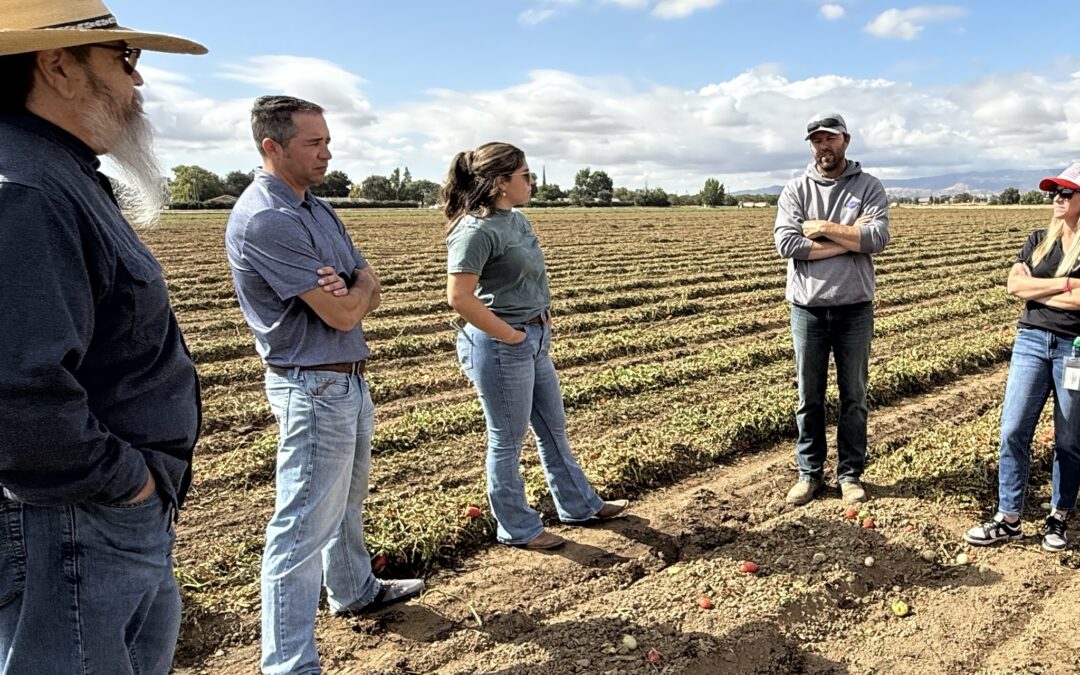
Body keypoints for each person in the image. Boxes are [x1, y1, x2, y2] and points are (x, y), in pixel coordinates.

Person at [0, 2, 205, 672]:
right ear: (57, 66)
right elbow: (15, 392)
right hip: (72, 524)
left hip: (91, 521)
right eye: (125, 58)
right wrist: (127, 483)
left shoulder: (56, 170)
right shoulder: (26, 187)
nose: (137, 80)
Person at [226, 95, 423, 674]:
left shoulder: (317, 207)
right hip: (312, 386)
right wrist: (355, 292)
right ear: (272, 146)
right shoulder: (268, 218)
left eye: (327, 141)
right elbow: (342, 313)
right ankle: (289, 664)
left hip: (346, 380)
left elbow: (368, 280)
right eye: (314, 143)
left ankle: (354, 589)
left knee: (346, 503)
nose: (327, 153)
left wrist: (354, 287)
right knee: (300, 528)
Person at [442, 142, 628, 551]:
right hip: (500, 344)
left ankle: (579, 505)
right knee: (507, 440)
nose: (532, 182)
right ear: (499, 182)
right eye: (525, 175)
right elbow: (459, 297)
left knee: (552, 427)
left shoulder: (516, 220)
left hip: (533, 338)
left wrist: (539, 323)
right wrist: (510, 335)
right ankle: (517, 528)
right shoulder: (475, 230)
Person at [774, 112, 890, 506]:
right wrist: (850, 238)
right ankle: (809, 474)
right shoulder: (796, 189)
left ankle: (850, 475)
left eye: (830, 138)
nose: (824, 146)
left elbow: (877, 238)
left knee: (854, 395)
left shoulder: (868, 186)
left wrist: (822, 227)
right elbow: (788, 244)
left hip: (855, 307)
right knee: (809, 397)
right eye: (817, 140)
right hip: (807, 310)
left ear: (846, 140)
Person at [964, 164, 1080, 553]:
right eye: (1054, 192)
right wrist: (1067, 284)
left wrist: (1038, 288)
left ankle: (1058, 516)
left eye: (1066, 193)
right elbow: (1015, 285)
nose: (1057, 199)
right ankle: (1008, 518)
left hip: (1074, 348)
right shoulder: (1038, 240)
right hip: (1031, 340)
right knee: (1013, 429)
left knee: (1069, 437)